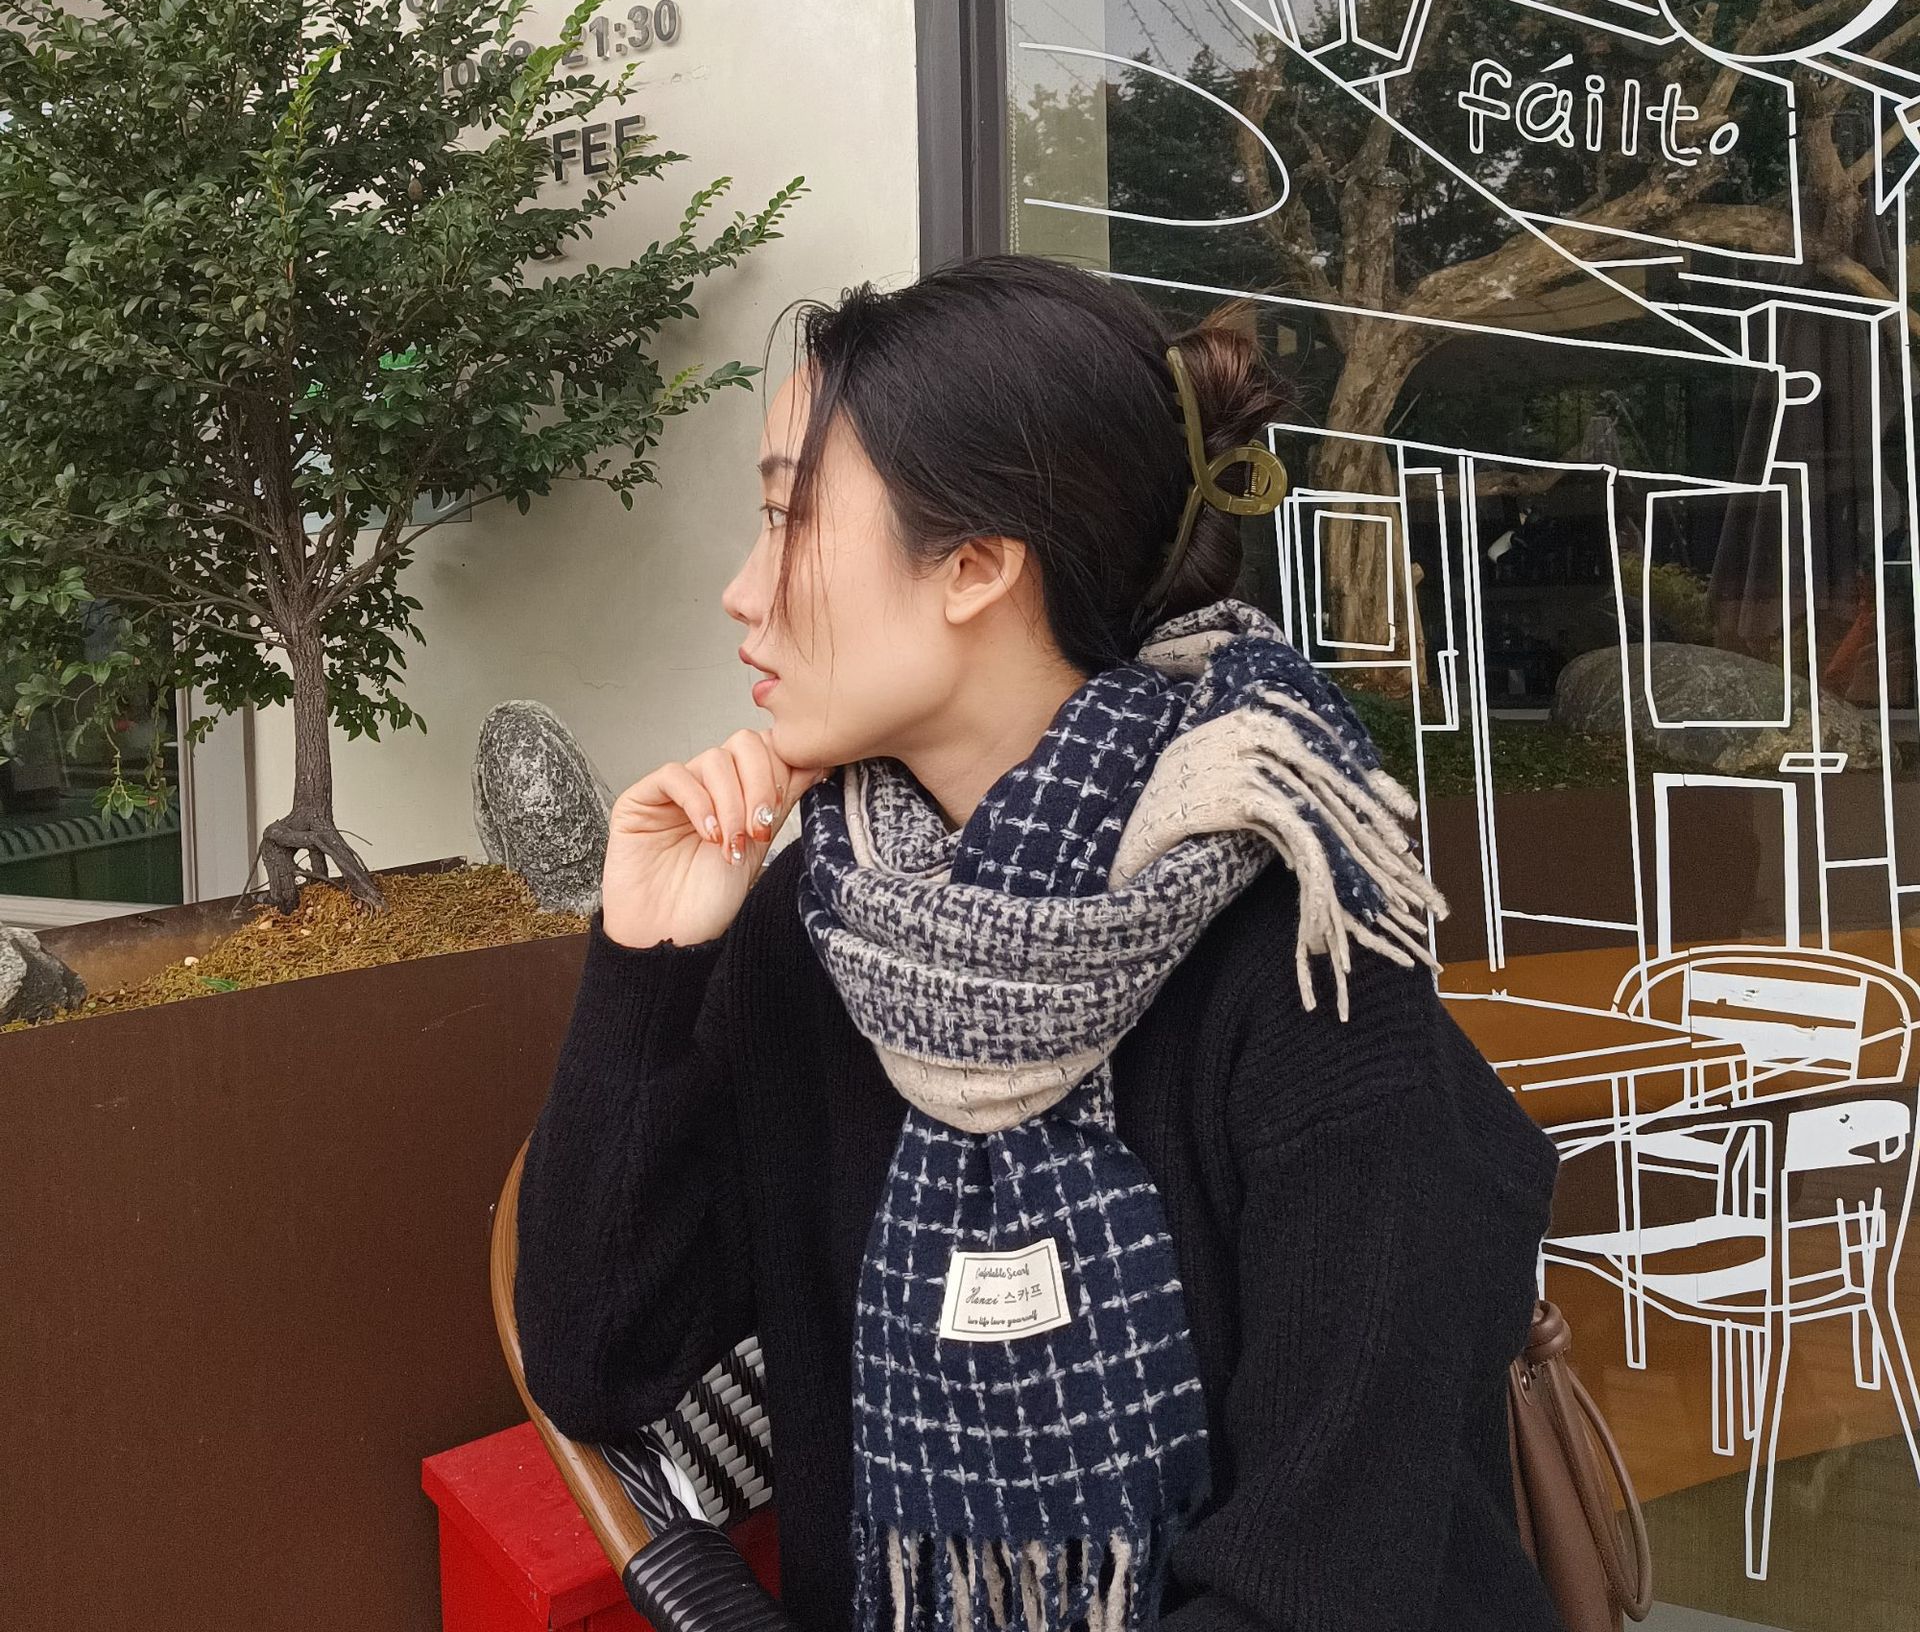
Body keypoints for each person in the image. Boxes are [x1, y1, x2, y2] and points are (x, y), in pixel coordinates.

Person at [512, 255, 1565, 1632]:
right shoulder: (821, 920)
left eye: (788, 520)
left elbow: (1326, 1579)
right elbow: (597, 1365)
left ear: (976, 565)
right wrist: (647, 964)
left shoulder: (1304, 941)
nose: (741, 592)